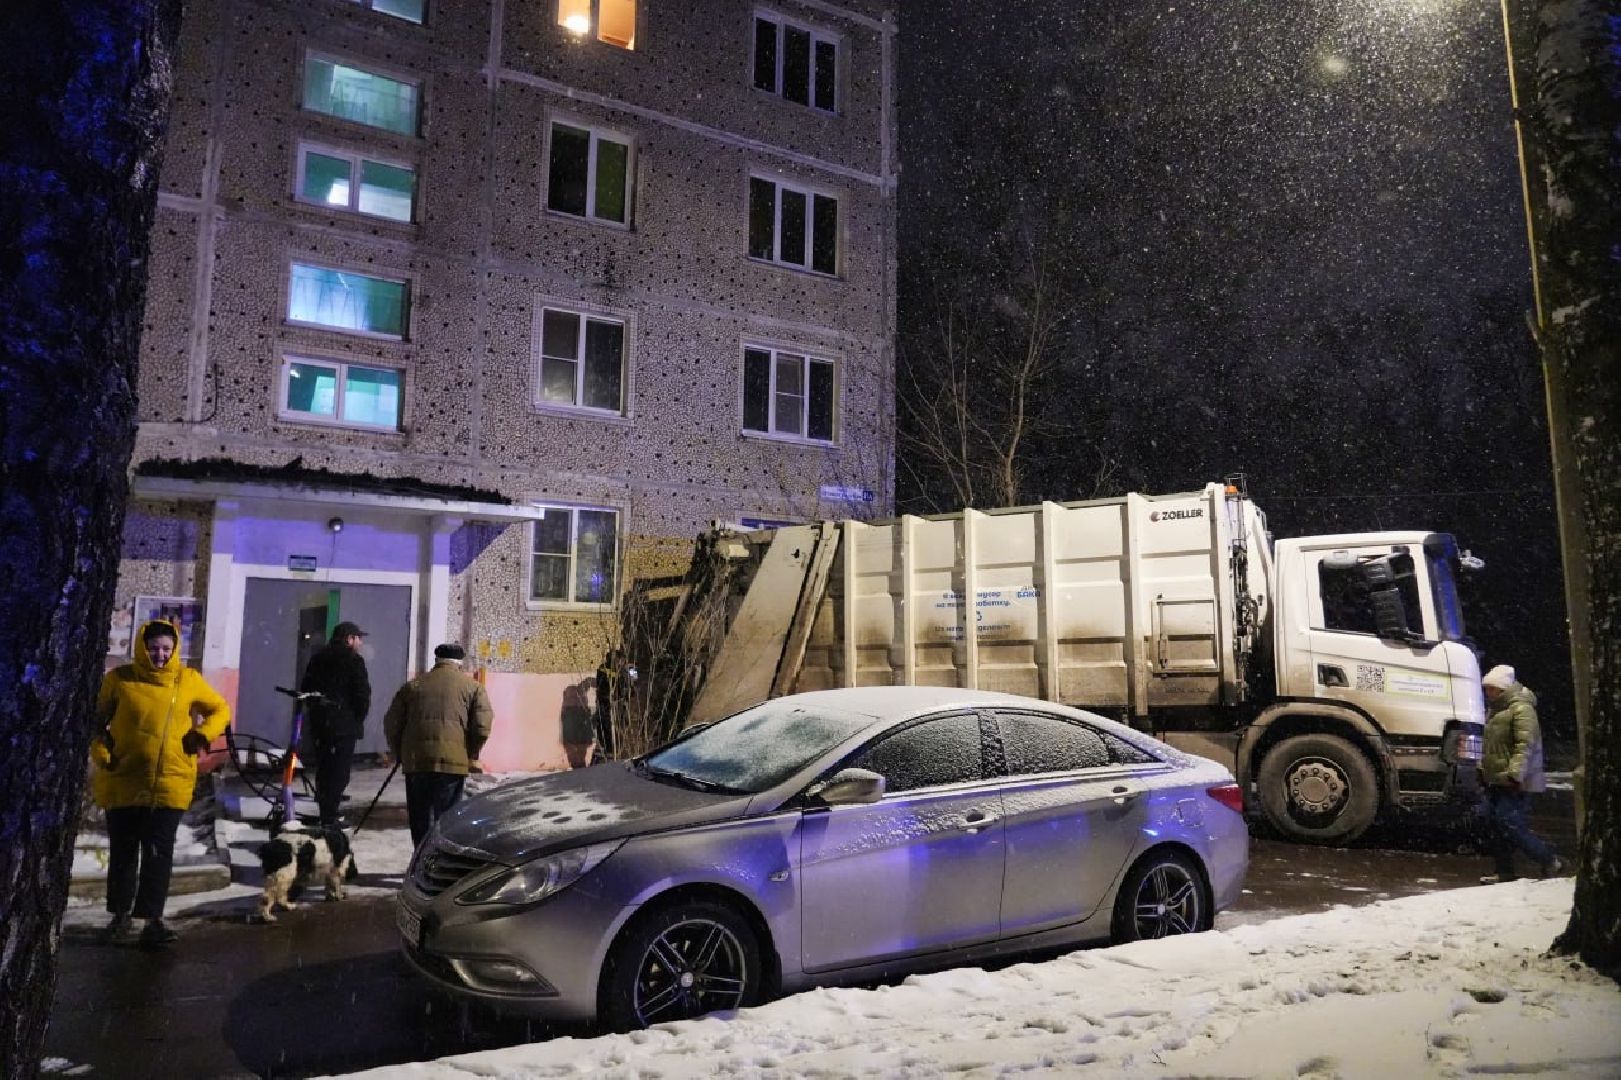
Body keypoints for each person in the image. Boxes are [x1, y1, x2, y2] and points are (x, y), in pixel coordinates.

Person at [90, 620, 231, 947]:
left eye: (167, 649)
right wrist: (102, 753)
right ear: (142, 647)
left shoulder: (188, 680)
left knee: (158, 854)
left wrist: (203, 733)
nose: (160, 655)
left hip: (171, 782)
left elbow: (220, 709)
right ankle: (120, 916)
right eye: (154, 648)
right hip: (124, 780)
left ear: (175, 649)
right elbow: (96, 722)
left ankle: (153, 920)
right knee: (124, 854)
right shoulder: (119, 680)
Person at [384, 643, 494, 846]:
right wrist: (469, 753)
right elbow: (482, 727)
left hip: (418, 762)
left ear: (437, 660)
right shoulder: (473, 688)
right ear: (459, 663)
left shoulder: (413, 686)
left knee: (420, 819)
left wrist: (400, 752)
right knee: (447, 820)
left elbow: (392, 723)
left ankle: (420, 862)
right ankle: (441, 864)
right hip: (452, 764)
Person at [1478, 664, 1563, 884]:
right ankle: (1504, 871)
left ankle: (1549, 858)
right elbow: (1494, 745)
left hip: (1515, 780)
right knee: (1496, 824)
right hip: (1497, 778)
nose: (1487, 692)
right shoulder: (1497, 709)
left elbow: (1525, 744)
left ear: (1503, 688)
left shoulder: (1521, 709)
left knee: (1509, 824)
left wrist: (1516, 773)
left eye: (1491, 688)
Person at [299, 621, 371, 828]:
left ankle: (325, 808)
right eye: (358, 638)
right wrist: (356, 719)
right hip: (343, 726)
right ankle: (329, 817)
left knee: (324, 767)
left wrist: (318, 712)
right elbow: (362, 696)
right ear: (349, 639)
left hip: (321, 724)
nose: (360, 642)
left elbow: (307, 688)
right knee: (340, 770)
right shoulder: (354, 661)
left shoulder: (318, 658)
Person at [560, 676, 596, 769]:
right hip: (575, 717)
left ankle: (579, 764)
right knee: (577, 745)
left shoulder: (574, 694)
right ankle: (579, 764)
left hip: (578, 717)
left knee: (579, 746)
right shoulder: (575, 693)